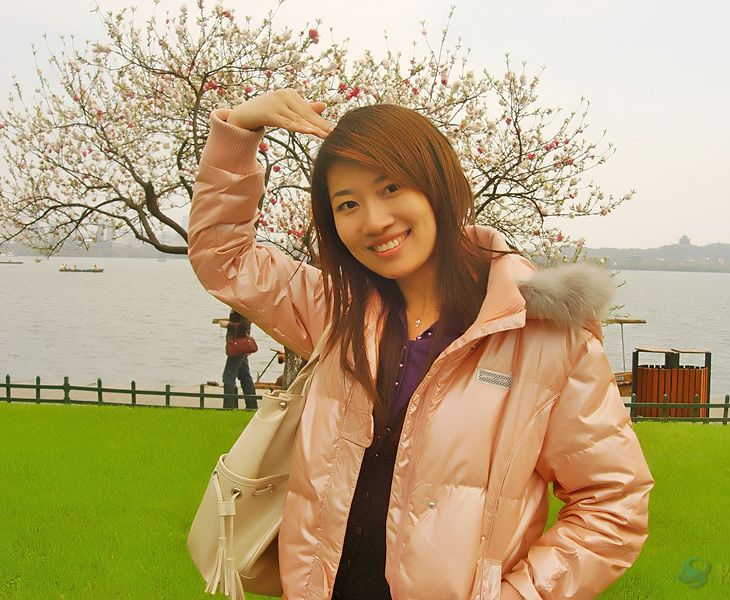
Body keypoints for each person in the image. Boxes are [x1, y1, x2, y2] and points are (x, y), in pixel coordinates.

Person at [188, 89, 654, 599]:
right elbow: (224, 258)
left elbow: (613, 504)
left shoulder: (544, 338)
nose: (374, 220)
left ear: (439, 184)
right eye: (348, 204)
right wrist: (239, 133)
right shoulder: (338, 312)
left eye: (391, 188)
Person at [221, 309, 258, 409]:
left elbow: (244, 326)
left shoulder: (240, 307)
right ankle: (251, 406)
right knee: (245, 376)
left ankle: (229, 407)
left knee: (228, 377)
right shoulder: (242, 306)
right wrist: (230, 321)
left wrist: (228, 325)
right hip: (241, 347)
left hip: (237, 347)